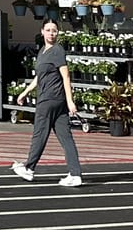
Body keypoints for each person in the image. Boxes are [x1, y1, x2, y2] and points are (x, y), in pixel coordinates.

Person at [10, 19, 83, 187]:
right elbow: (39, 77)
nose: (51, 33)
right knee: (66, 138)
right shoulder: (43, 51)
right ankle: (75, 174)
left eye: (54, 30)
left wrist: (70, 101)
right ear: (42, 31)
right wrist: (25, 92)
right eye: (48, 30)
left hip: (50, 100)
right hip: (55, 101)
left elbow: (66, 76)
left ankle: (29, 168)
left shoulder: (57, 50)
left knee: (39, 134)